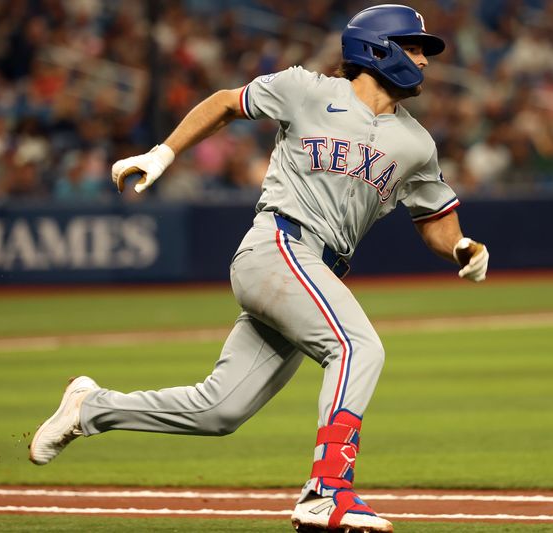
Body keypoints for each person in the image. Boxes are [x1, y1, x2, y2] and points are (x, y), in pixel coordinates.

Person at [28, 5, 489, 532]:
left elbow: (435, 219)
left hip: (313, 271)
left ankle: (90, 408)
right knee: (357, 347)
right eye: (414, 46)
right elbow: (226, 104)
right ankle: (328, 490)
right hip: (278, 246)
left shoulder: (416, 143)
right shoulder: (308, 89)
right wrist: (163, 152)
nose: (424, 61)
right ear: (377, 47)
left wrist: (460, 248)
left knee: (218, 410)